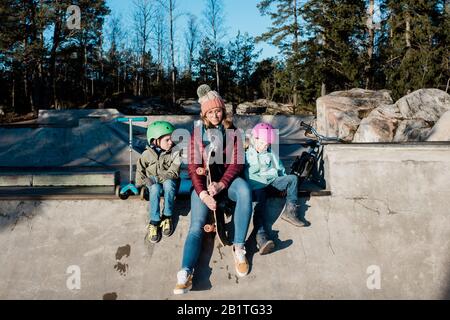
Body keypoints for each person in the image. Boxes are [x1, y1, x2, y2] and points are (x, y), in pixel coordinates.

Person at [173, 85, 252, 295]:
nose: (215, 115)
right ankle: (185, 272)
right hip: (204, 187)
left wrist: (222, 184)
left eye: (217, 111)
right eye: (210, 112)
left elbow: (237, 163)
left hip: (227, 183)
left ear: (223, 110)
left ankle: (239, 247)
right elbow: (192, 167)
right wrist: (203, 194)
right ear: (204, 114)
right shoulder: (197, 134)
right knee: (196, 226)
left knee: (244, 190)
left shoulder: (234, 132)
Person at [245, 122, 309, 255]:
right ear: (254, 139)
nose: (266, 146)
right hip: (257, 188)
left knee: (292, 179)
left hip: (272, 183)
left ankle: (290, 211)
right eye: (263, 143)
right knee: (258, 207)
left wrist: (284, 183)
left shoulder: (270, 154)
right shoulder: (246, 155)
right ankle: (261, 237)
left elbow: (280, 170)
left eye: (268, 144)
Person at [135, 121, 182, 244]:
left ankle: (167, 216)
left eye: (172, 139)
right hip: (153, 184)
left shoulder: (175, 152)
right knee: (155, 189)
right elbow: (140, 170)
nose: (171, 142)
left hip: (170, 182)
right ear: (155, 141)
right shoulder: (146, 155)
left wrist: (155, 179)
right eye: (167, 140)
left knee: (168, 184)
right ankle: (154, 221)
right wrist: (141, 184)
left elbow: (174, 173)